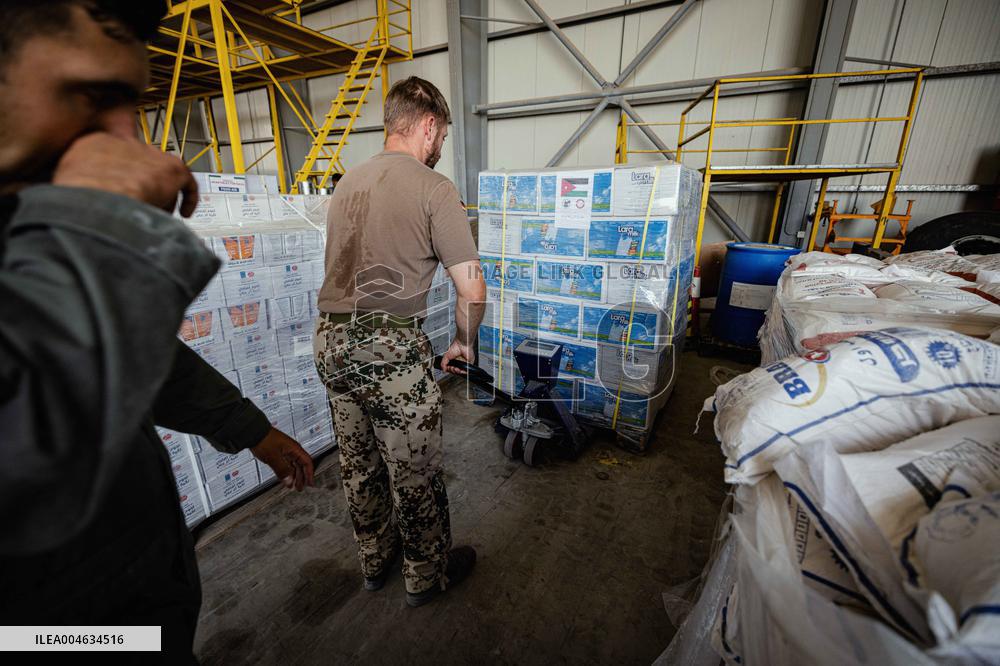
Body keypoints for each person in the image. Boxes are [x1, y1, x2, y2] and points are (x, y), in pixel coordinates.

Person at [0, 1, 315, 661]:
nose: (132, 142)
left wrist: (249, 429)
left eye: (130, 106)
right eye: (90, 99)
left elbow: (124, 353)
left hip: (132, 606)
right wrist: (92, 234)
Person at [314, 76, 486, 607]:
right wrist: (463, 342)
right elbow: (472, 289)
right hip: (389, 347)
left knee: (358, 462)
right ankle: (425, 574)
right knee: (413, 466)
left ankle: (374, 561)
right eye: (443, 136)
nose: (440, 148)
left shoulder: (347, 183)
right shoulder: (435, 187)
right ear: (429, 125)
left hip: (329, 340)